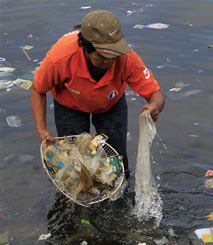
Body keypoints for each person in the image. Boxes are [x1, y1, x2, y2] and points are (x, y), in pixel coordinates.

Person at [30, 10, 165, 177]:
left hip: (111, 105)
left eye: (113, 55)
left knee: (117, 161)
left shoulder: (126, 58)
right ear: (85, 48)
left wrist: (154, 106)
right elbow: (38, 89)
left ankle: (118, 190)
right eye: (101, 56)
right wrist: (41, 129)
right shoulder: (61, 57)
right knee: (75, 164)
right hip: (69, 106)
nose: (108, 61)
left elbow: (156, 93)